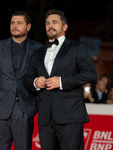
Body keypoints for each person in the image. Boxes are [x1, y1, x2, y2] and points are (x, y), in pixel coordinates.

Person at [24, 9, 97, 150]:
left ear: (64, 27)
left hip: (70, 116)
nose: (50, 25)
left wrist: (62, 81)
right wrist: (35, 82)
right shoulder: (38, 53)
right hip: (45, 117)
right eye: (47, 23)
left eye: (54, 22)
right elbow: (27, 78)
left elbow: (91, 74)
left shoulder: (77, 47)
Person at [0, 11, 42, 150]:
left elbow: (41, 79)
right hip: (0, 113)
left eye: (19, 23)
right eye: (12, 22)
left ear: (28, 27)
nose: (14, 26)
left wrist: (34, 108)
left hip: (25, 111)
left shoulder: (39, 49)